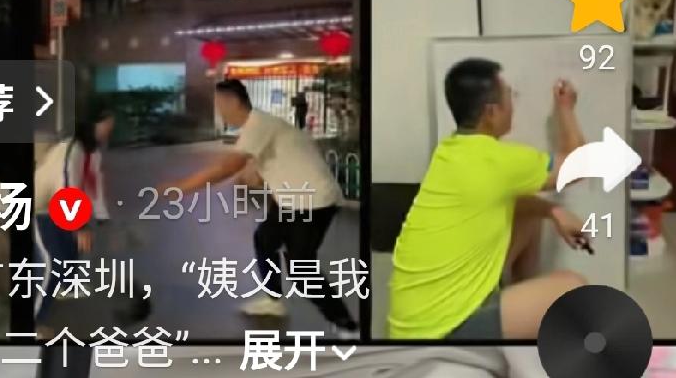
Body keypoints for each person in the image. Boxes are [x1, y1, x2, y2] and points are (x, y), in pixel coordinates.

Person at [387, 59, 590, 341]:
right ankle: (513, 324)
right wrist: (566, 108)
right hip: (443, 331)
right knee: (575, 289)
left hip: (410, 323)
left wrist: (552, 210)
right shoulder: (499, 162)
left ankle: (520, 314)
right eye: (510, 96)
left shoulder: (450, 151)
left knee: (528, 215)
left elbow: (515, 202)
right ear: (491, 113)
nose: (513, 102)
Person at [164, 76, 358, 332]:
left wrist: (181, 188)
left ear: (232, 101)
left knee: (301, 270)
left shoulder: (258, 124)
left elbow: (228, 167)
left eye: (220, 105)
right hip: (293, 199)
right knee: (265, 238)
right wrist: (263, 189)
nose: (219, 112)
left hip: (312, 201)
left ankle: (345, 325)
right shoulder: (261, 126)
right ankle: (273, 300)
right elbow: (267, 171)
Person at [33, 108, 113, 322]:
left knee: (72, 249)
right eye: (106, 124)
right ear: (92, 124)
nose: (109, 129)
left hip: (60, 206)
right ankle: (35, 319)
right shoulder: (72, 149)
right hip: (40, 207)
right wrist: (80, 226)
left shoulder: (93, 153)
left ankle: (66, 286)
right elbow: (65, 186)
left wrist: (102, 216)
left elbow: (94, 185)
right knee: (55, 262)